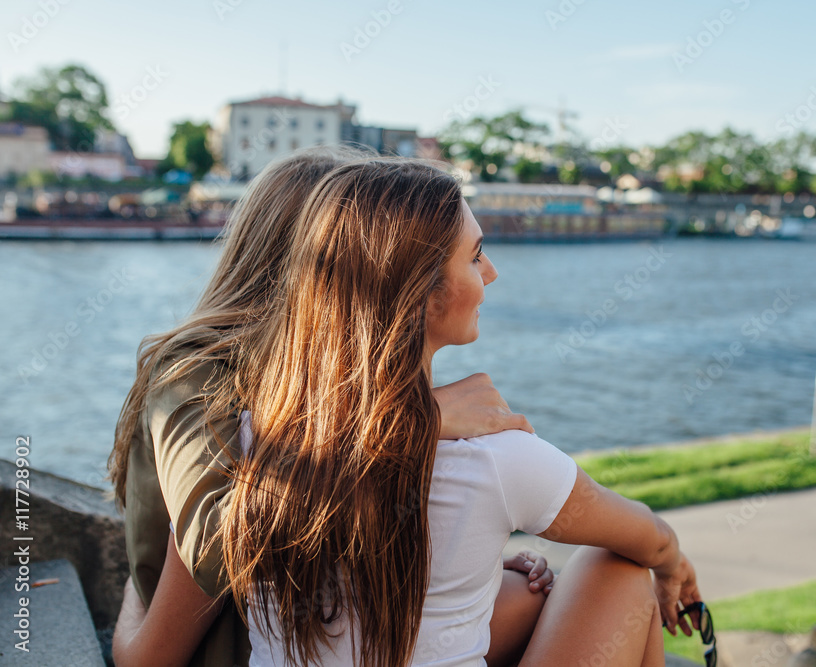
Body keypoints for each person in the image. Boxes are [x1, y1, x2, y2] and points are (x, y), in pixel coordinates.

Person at [217, 157, 701, 667]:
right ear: (421, 297)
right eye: (475, 257)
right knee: (620, 569)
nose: (492, 272)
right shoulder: (496, 460)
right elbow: (649, 538)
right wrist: (673, 568)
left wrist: (482, 571)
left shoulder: (253, 435)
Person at [108, 149, 546, 667]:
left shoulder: (332, 373)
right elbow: (215, 550)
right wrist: (417, 421)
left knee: (553, 590)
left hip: (333, 627)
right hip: (268, 646)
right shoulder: (202, 369)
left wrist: (469, 566)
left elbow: (347, 509)